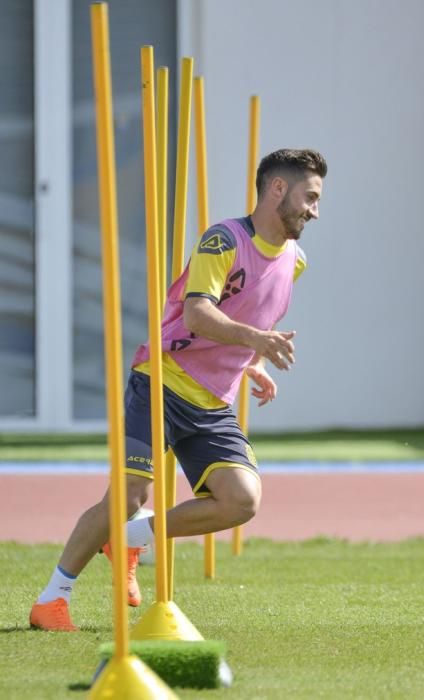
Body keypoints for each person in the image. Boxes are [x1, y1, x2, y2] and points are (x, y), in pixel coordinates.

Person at [30, 147, 327, 631]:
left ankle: (128, 537)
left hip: (212, 403)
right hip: (162, 380)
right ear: (278, 189)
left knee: (242, 500)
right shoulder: (223, 239)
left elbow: (253, 315)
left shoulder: (295, 261)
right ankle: (52, 599)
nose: (314, 210)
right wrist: (256, 342)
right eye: (310, 197)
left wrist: (252, 363)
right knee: (127, 493)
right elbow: (197, 313)